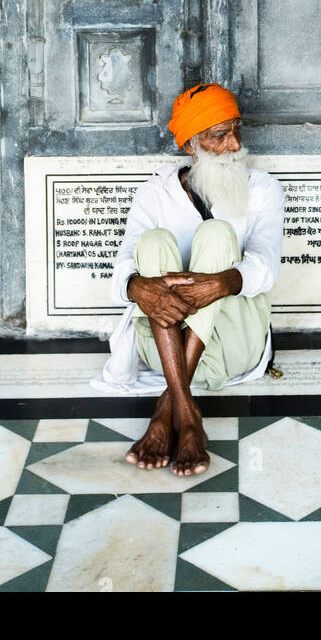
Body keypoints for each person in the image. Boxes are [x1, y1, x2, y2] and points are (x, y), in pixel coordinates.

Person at [92, 83, 284, 476]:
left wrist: (222, 283)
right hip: (163, 351)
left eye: (236, 130)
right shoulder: (154, 193)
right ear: (190, 146)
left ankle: (168, 413)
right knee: (154, 242)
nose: (234, 145)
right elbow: (120, 274)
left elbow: (265, 266)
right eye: (219, 135)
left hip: (233, 346)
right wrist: (136, 287)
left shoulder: (262, 188)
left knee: (217, 236)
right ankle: (189, 414)